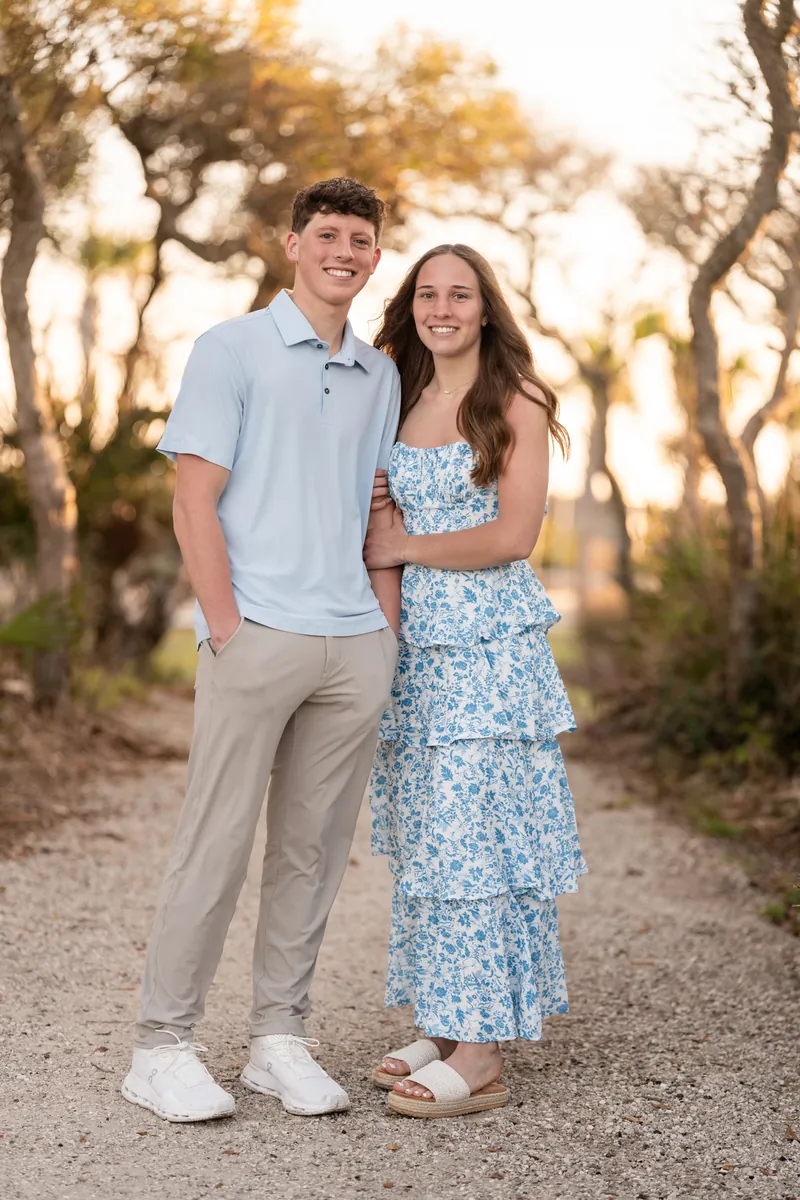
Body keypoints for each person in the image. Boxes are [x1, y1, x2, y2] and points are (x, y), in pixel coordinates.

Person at [122, 178, 402, 1123]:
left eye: (361, 239)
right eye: (328, 234)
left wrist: (382, 633)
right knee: (218, 843)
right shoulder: (231, 347)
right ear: (293, 244)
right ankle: (161, 1047)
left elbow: (373, 507)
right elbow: (192, 499)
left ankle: (278, 1040)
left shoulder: (380, 371)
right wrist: (226, 625)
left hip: (352, 643)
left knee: (312, 853)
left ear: (374, 256)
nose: (346, 251)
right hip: (257, 636)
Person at [363, 243, 586, 1119]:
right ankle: (448, 1020)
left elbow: (514, 535)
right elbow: (375, 507)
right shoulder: (395, 392)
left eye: (460, 294)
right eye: (427, 293)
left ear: (486, 308)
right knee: (429, 842)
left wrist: (405, 546)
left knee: (476, 842)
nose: (441, 308)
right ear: (411, 304)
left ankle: (484, 1052)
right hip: (417, 652)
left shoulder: (517, 399)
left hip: (489, 654)